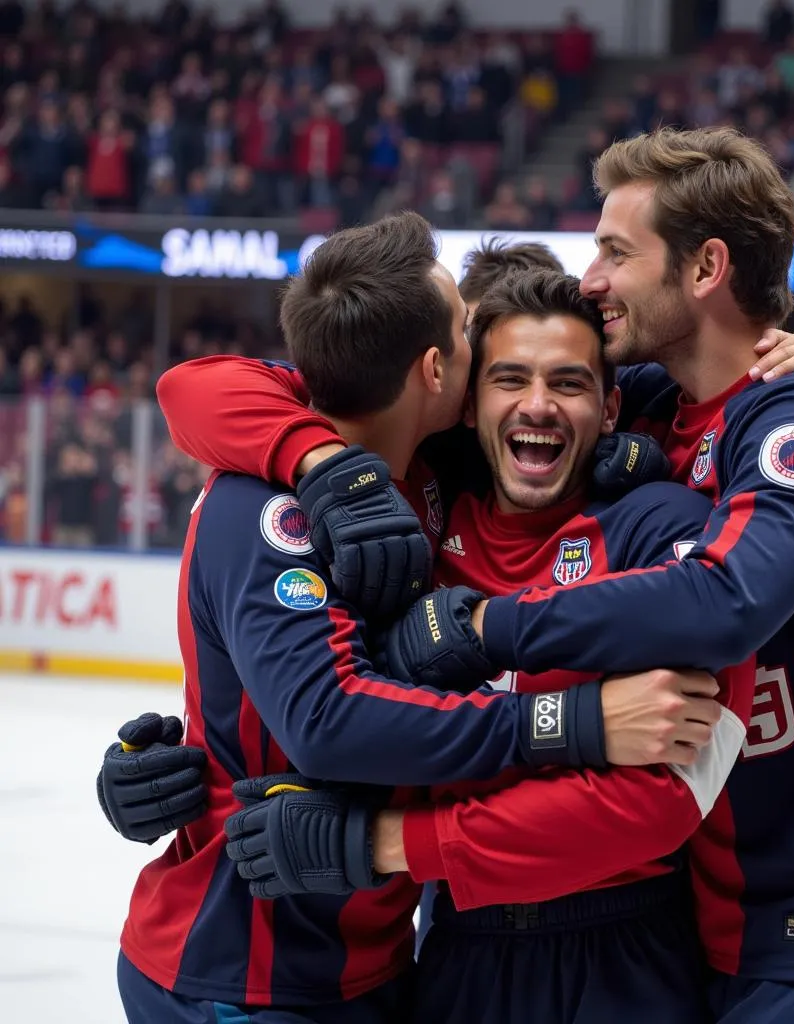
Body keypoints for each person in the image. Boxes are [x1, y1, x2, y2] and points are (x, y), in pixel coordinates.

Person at [372, 128, 794, 1023]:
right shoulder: (664, 412)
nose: (592, 279)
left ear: (706, 268)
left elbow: (722, 600)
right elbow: (287, 386)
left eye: (616, 252)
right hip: (727, 938)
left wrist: (482, 629)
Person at [105, 213, 728, 1024]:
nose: (533, 402)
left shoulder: (435, 477)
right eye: (496, 367)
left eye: (568, 384)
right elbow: (190, 386)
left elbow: (711, 395)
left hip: (394, 960)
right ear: (452, 380)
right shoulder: (277, 497)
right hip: (256, 965)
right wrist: (573, 721)